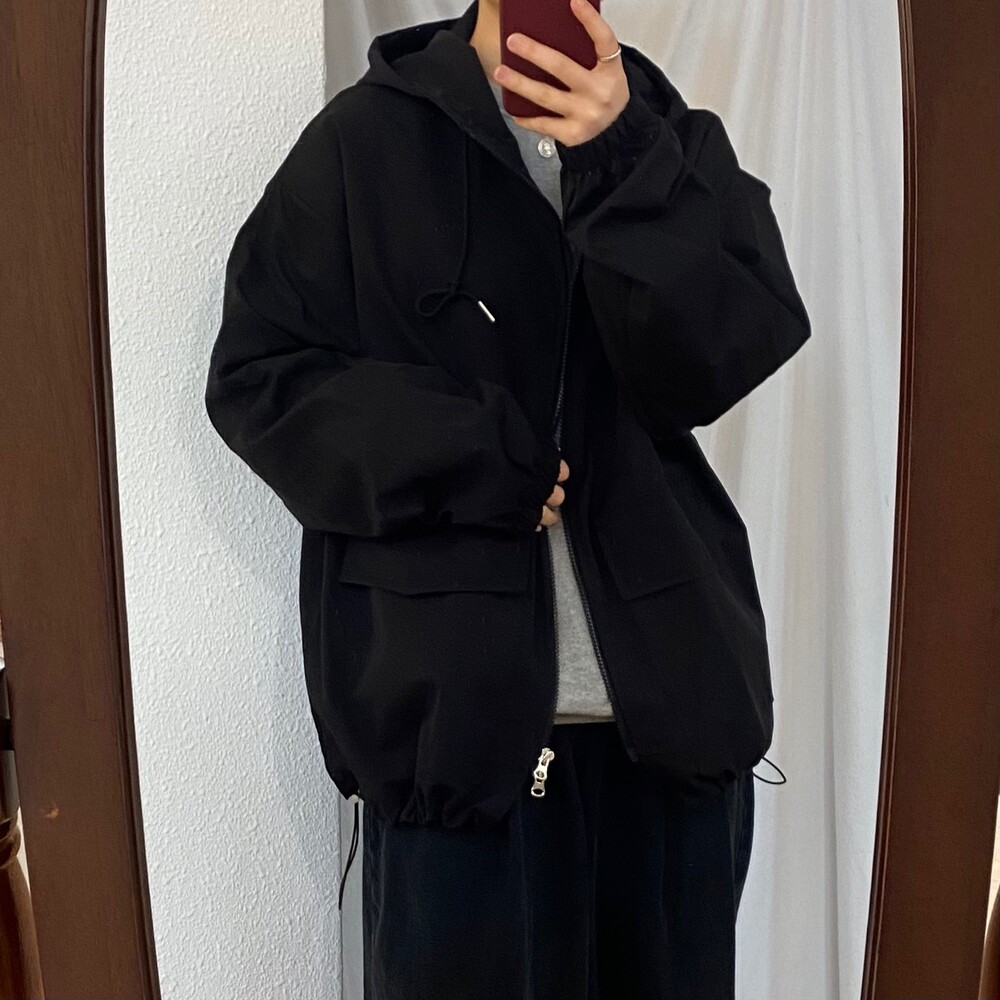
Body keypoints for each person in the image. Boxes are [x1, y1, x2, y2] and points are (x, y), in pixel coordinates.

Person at [204, 0, 810, 996]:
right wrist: (472, 457)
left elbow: (725, 353)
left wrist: (624, 157)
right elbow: (259, 378)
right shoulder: (368, 141)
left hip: (672, 735)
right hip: (458, 749)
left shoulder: (666, 136)